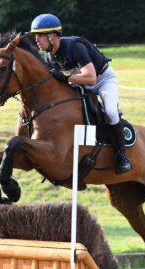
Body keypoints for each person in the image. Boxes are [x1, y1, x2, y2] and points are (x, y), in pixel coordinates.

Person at [30, 13, 132, 174]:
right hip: (79, 83)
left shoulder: (74, 47)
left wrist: (66, 77)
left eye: (40, 36)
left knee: (111, 112)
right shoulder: (49, 56)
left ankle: (122, 155)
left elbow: (91, 78)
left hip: (102, 80)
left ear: (53, 36)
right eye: (35, 36)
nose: (36, 40)